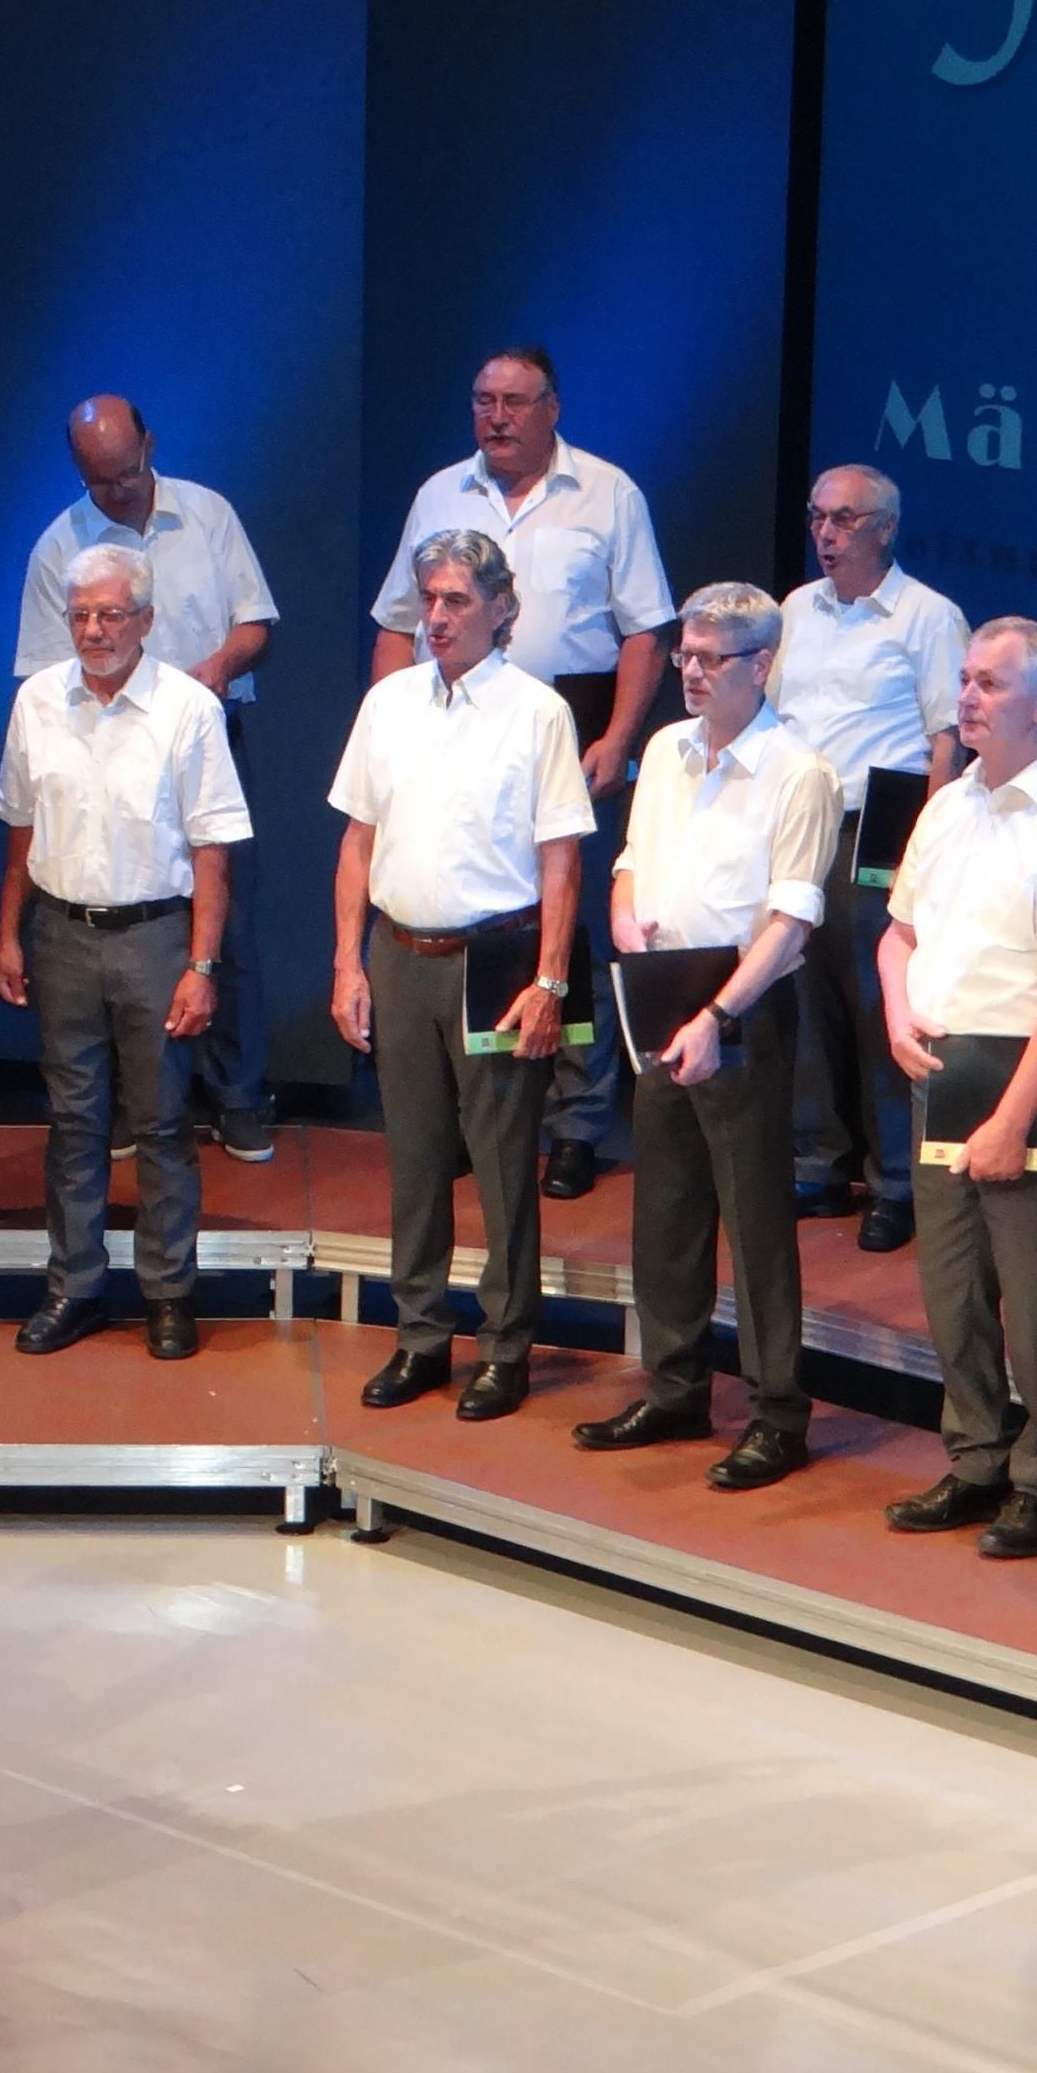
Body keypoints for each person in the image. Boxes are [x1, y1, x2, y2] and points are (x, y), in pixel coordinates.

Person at [368, 347, 677, 1200]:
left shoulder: (608, 493)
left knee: (564, 929)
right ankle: (473, 1119)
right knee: (473, 916)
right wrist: (392, 723)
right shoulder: (440, 495)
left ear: (552, 407)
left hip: (565, 725)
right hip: (452, 727)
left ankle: (577, 1121)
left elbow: (646, 629)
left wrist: (618, 737)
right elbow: (395, 623)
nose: (495, 416)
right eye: (483, 401)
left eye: (513, 401)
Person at [571, 583, 836, 1488]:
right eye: (684, 654)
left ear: (760, 665)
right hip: (661, 992)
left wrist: (718, 1016)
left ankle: (777, 1413)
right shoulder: (665, 751)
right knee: (667, 1209)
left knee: (754, 1219)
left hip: (743, 1008)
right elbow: (631, 863)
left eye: (708, 659)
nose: (688, 671)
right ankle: (675, 1386)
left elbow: (792, 920)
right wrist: (624, 918)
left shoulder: (799, 771)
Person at [334, 530, 591, 1418]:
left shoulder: (537, 712)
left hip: (496, 960)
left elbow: (562, 860)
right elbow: (357, 840)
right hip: (399, 954)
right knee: (413, 1161)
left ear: (501, 609)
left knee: (503, 1165)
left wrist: (550, 982)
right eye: (429, 600)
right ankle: (420, 1338)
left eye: (456, 601)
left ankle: (506, 1347)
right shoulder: (389, 703)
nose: (436, 618)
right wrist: (346, 962)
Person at [878, 619, 1037, 1560]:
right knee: (952, 1288)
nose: (967, 697)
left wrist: (1014, 1117)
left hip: (1024, 1078)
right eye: (965, 680)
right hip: (940, 1072)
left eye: (989, 683)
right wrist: (897, 1011)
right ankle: (976, 1456)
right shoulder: (947, 806)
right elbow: (898, 933)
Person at [0, 542, 253, 1361]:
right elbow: (20, 825)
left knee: (163, 1122)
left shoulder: (188, 708)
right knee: (73, 1122)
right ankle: (73, 1288)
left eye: (110, 614)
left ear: (146, 619)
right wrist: (6, 933)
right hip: (61, 934)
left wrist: (202, 967)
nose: (94, 630)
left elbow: (212, 848)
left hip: (156, 937)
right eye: (80, 615)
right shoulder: (38, 700)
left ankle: (168, 1294)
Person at [11, 396, 283, 1160]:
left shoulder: (207, 515)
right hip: (103, 747)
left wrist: (217, 667)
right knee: (121, 922)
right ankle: (138, 1101)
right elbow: (43, 672)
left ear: (150, 446)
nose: (119, 490)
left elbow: (255, 620)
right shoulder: (57, 547)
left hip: (203, 731)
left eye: (128, 472)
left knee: (223, 922)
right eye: (100, 481)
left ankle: (236, 1094)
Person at [773, 463, 967, 1254]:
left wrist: (931, 837)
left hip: (880, 828)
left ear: (886, 528)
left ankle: (894, 1182)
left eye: (844, 519)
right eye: (818, 517)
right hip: (800, 823)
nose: (826, 533)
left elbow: (948, 737)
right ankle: (816, 1163)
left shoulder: (927, 616)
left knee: (873, 998)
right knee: (802, 995)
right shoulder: (795, 609)